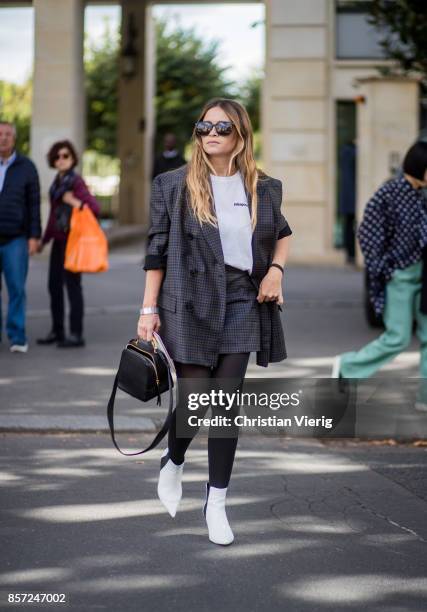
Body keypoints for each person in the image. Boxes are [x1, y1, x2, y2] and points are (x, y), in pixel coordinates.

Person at [138, 98, 293, 545]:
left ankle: (217, 503)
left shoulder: (265, 187)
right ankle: (174, 458)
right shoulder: (173, 185)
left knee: (225, 407)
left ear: (240, 134)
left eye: (221, 127)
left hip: (242, 297)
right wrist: (148, 310)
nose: (210, 133)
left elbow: (281, 235)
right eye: (203, 125)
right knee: (195, 402)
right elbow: (156, 251)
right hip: (187, 299)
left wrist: (276, 271)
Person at [332, 141, 427, 411]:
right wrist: (385, 268)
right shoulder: (390, 192)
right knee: (397, 336)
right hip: (400, 276)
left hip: (425, 276)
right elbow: (368, 232)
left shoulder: (424, 194)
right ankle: (347, 367)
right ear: (420, 166)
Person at [37, 140, 101, 348]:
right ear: (53, 161)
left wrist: (73, 201)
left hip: (73, 241)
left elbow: (94, 208)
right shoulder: (57, 182)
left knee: (72, 287)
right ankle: (57, 331)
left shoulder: (76, 182)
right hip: (58, 241)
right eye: (57, 157)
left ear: (72, 159)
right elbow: (53, 217)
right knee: (54, 286)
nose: (61, 159)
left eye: (65, 156)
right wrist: (44, 240)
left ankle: (76, 334)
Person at [0, 120, 41, 353]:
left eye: (7, 134)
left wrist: (34, 236)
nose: (3, 138)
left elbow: (34, 203)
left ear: (14, 138)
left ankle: (17, 337)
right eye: (0, 134)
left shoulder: (27, 166)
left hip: (16, 238)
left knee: (16, 288)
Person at [338, 140, 357, 264]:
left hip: (348, 197)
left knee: (348, 225)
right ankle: (351, 253)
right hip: (352, 197)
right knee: (350, 226)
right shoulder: (350, 153)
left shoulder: (345, 153)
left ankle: (350, 254)